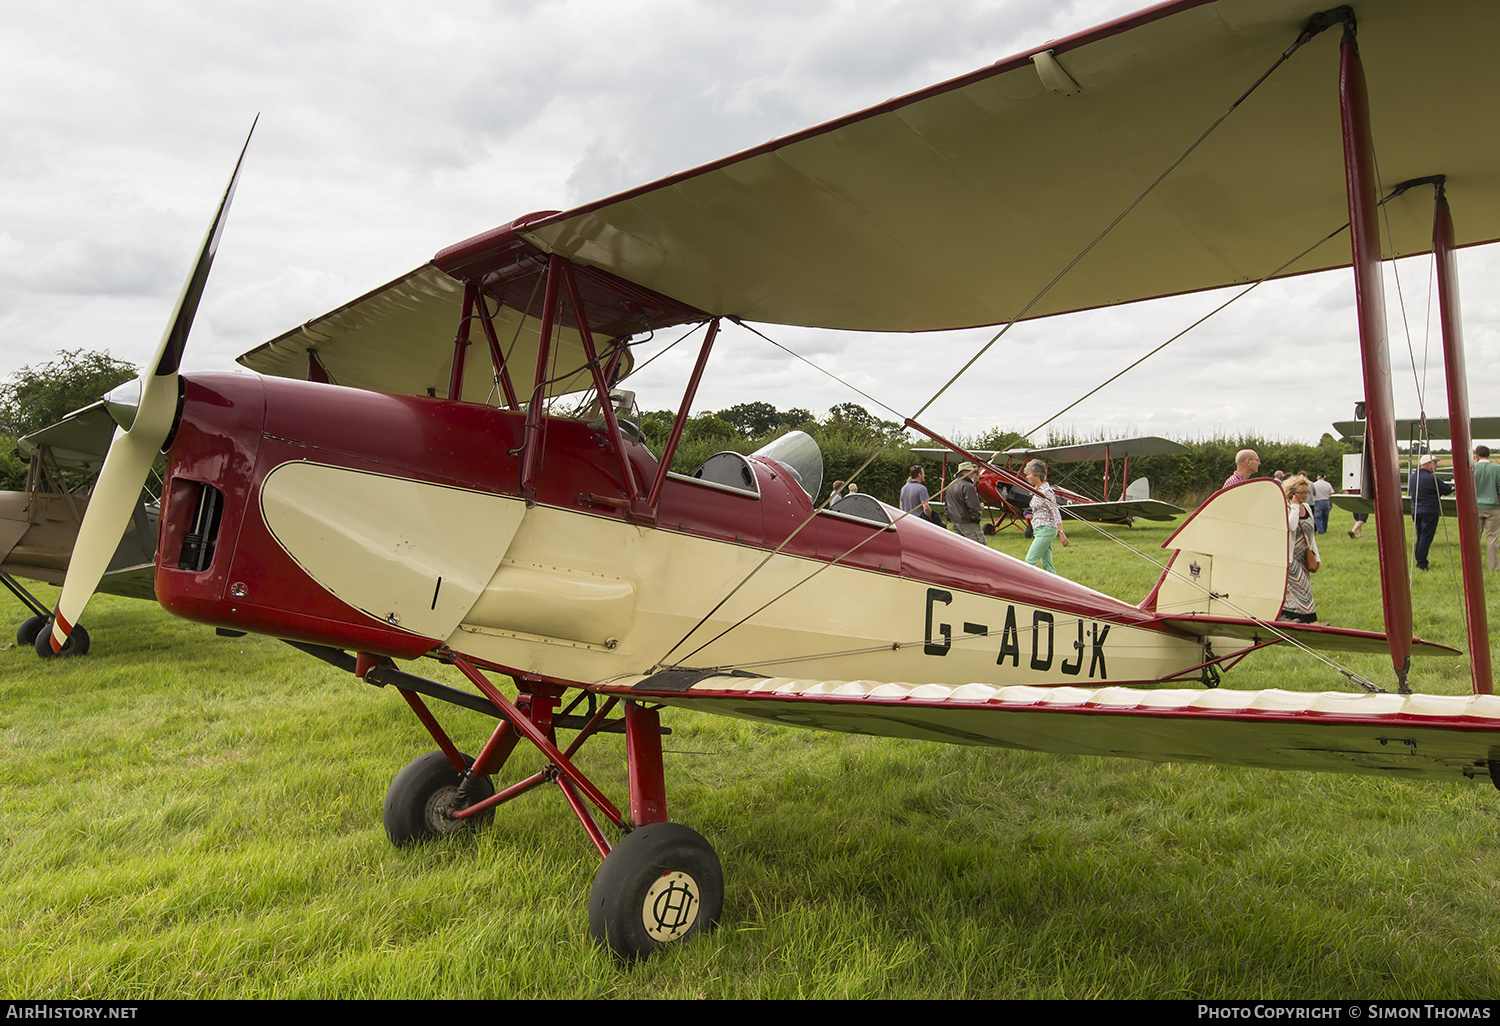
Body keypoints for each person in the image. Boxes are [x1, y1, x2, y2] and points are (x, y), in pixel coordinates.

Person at [1280, 474, 1319, 623]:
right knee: (1303, 586)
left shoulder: (1308, 508)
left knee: (1293, 588)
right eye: (1301, 493)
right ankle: (1308, 618)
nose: (1305, 496)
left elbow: (1311, 535)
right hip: (1289, 555)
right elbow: (1291, 526)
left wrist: (1317, 557)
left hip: (1304, 555)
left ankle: (1289, 615)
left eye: (1306, 492)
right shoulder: (1287, 508)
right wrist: (1295, 506)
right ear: (1292, 492)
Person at [1023, 459, 1068, 573]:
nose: (1027, 477)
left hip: (1046, 530)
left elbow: (1055, 511)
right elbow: (1044, 511)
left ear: (1037, 475)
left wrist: (1061, 533)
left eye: (1028, 474)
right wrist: (1033, 516)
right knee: (1047, 563)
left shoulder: (1047, 491)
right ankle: (1056, 586)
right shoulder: (1037, 490)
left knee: (1029, 561)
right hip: (1039, 529)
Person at [1409, 453, 1452, 571]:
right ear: (1427, 464)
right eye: (1435, 463)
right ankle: (1422, 563)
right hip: (1429, 510)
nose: (1436, 466)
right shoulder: (1431, 478)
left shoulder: (1413, 477)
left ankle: (1419, 560)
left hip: (1416, 510)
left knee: (1420, 535)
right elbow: (1447, 490)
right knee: (1426, 537)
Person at [1473, 445, 1500, 571]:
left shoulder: (1472, 468)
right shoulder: (1497, 468)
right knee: (1492, 538)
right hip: (1493, 506)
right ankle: (1493, 566)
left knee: (1474, 537)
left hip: (1475, 507)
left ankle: (1472, 566)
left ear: (1476, 455)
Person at [948, 461, 985, 544]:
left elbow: (947, 506)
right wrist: (977, 519)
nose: (973, 474)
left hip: (954, 522)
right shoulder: (968, 486)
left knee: (961, 548)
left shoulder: (951, 485)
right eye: (971, 471)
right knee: (979, 546)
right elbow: (973, 506)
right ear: (965, 472)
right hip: (968, 522)